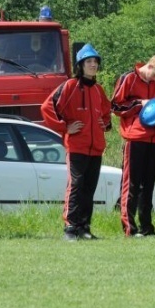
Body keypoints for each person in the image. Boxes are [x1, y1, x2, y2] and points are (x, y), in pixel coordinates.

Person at [40, 43, 112, 241]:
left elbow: (107, 112)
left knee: (89, 188)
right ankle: (70, 227)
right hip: (77, 147)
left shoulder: (98, 89)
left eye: (95, 61)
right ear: (81, 65)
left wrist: (104, 124)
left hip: (96, 148)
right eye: (89, 62)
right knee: (76, 186)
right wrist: (64, 127)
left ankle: (84, 227)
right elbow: (47, 107)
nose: (93, 65)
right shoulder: (70, 86)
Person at [111, 54, 155, 237]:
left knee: (149, 185)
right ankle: (129, 227)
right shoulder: (128, 78)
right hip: (135, 138)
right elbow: (115, 107)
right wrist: (140, 103)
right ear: (150, 66)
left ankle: (146, 227)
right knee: (131, 185)